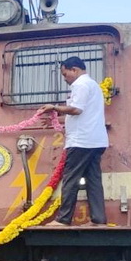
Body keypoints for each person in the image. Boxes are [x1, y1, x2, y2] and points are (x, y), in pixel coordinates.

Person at [41, 56, 108, 226]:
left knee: (71, 178)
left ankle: (63, 219)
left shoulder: (80, 85)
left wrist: (54, 107)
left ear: (74, 70)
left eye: (65, 74)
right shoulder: (93, 85)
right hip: (95, 140)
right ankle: (98, 219)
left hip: (81, 141)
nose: (65, 78)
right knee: (93, 180)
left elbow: (76, 109)